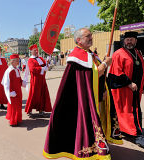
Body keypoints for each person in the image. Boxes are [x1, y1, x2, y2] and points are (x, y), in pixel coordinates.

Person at [43, 28, 112, 159]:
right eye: (88, 36)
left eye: (91, 35)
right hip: (81, 98)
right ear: (79, 40)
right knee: (85, 122)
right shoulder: (77, 55)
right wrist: (105, 64)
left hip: (92, 94)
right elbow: (92, 75)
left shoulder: (89, 53)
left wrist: (102, 90)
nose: (91, 37)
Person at [108, 31, 144, 148]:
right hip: (123, 90)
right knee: (129, 112)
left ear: (136, 41)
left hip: (136, 90)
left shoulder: (137, 53)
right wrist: (129, 83)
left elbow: (142, 69)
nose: (129, 41)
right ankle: (137, 135)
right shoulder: (119, 53)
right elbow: (116, 71)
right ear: (124, 41)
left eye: (131, 39)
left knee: (133, 110)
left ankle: (128, 131)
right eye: (127, 39)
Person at [25, 44, 52, 115]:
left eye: (37, 50)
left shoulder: (40, 58)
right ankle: (29, 110)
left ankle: (41, 110)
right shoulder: (30, 60)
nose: (36, 51)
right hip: (35, 80)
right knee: (34, 95)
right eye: (34, 50)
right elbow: (32, 69)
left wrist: (48, 63)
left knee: (42, 94)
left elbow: (45, 65)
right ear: (31, 51)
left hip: (42, 79)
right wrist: (42, 68)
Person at [2, 54, 26, 126]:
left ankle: (17, 119)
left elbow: (18, 80)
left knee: (18, 105)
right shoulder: (9, 71)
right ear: (12, 61)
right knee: (13, 106)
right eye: (17, 61)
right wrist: (10, 92)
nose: (18, 62)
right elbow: (6, 83)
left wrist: (22, 82)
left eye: (18, 60)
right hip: (13, 92)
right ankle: (13, 121)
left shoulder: (17, 70)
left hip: (18, 91)